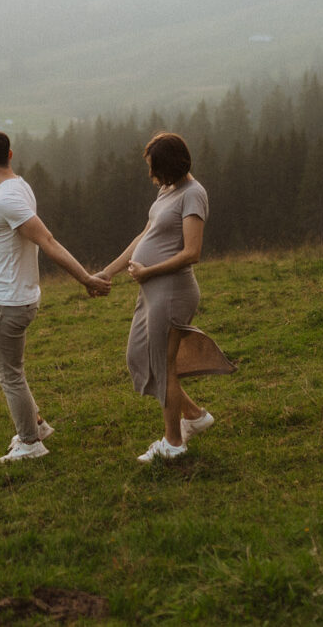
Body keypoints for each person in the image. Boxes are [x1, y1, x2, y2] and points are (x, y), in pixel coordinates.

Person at [95, 132, 235, 462]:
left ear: (171, 165)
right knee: (139, 357)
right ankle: (196, 417)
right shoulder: (166, 191)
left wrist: (149, 272)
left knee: (164, 366)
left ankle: (174, 443)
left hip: (172, 292)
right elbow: (145, 236)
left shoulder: (194, 194)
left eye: (155, 167)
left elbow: (192, 252)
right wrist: (109, 271)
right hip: (152, 292)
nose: (152, 175)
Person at [0, 129, 110, 463]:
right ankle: (35, 421)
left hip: (9, 303)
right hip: (6, 298)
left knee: (10, 374)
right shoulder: (19, 186)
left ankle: (30, 441)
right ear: (10, 155)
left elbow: (47, 241)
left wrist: (85, 279)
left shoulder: (8, 198)